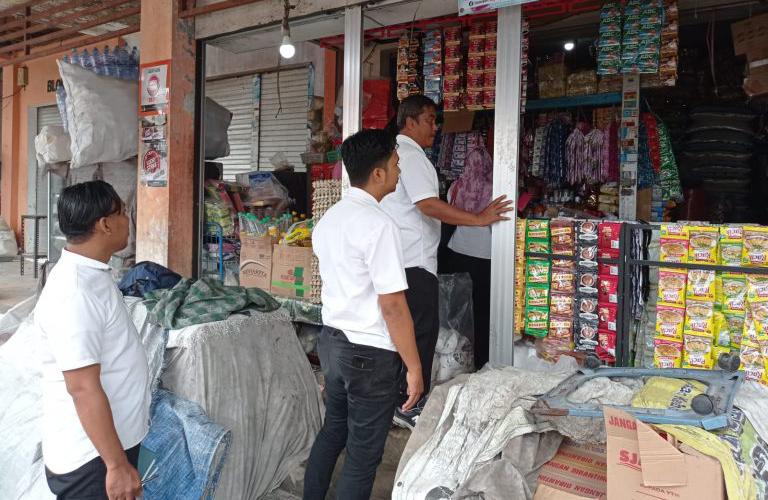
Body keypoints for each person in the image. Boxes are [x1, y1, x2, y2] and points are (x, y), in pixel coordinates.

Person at [381, 95, 513, 429]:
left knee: (405, 334)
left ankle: (398, 399)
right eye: (430, 120)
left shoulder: (398, 154)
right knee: (420, 335)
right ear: (410, 121)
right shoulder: (410, 156)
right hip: (413, 263)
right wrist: (479, 218)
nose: (435, 128)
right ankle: (409, 404)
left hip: (401, 259)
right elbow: (428, 205)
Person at [304, 129, 423, 500]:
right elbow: (392, 305)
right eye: (395, 163)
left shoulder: (330, 219)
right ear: (378, 173)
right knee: (362, 455)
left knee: (332, 432)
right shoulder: (379, 224)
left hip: (334, 343)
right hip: (368, 355)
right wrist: (414, 367)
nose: (399, 170)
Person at [35, 180, 150, 500]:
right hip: (93, 459)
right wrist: (116, 466)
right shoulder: (74, 292)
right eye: (123, 211)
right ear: (105, 224)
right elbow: (82, 387)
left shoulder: (92, 274)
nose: (128, 219)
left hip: (107, 447)